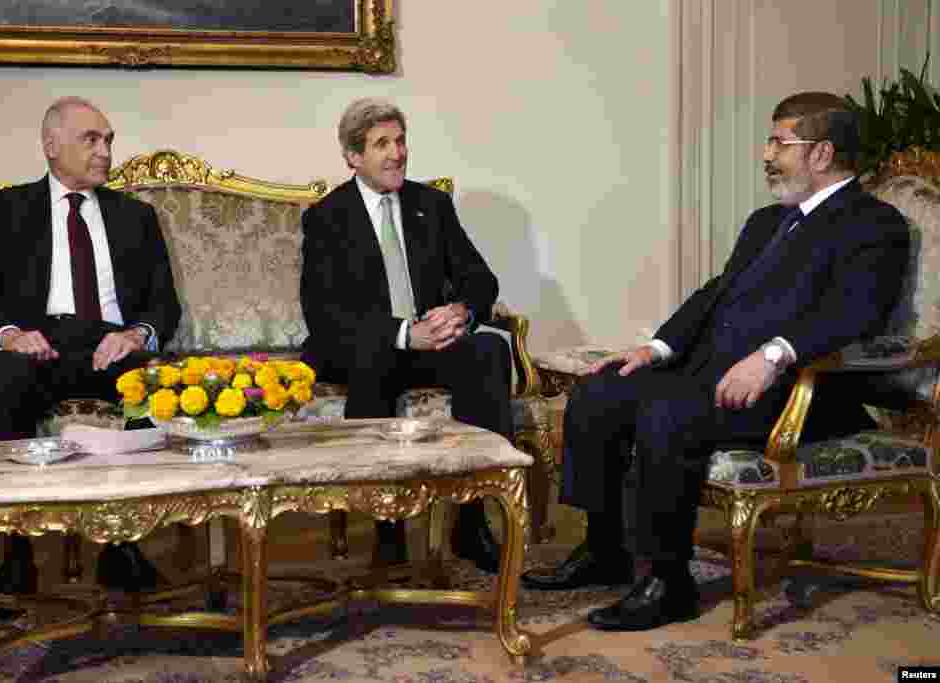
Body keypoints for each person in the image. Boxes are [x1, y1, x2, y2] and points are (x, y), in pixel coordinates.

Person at [521, 92, 910, 631]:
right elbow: (716, 293)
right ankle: (605, 549)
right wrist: (656, 347)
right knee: (601, 390)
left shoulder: (874, 225)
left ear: (821, 154)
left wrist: (773, 356)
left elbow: (853, 315)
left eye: (780, 142)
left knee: (665, 409)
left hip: (798, 392)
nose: (767, 153)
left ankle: (668, 581)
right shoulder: (767, 221)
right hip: (711, 372)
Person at [0, 96, 182, 608]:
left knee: (149, 383)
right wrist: (11, 334)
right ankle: (14, 551)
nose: (104, 151)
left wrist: (135, 335)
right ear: (51, 146)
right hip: (36, 344)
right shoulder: (6, 208)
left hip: (108, 344)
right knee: (2, 377)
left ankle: (124, 545)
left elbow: (162, 304)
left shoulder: (136, 216)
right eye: (91, 140)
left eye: (108, 141)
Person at [300, 98, 512, 572]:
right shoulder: (326, 217)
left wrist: (460, 311)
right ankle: (386, 527)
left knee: (487, 350)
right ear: (353, 157)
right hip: (367, 345)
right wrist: (402, 334)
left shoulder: (430, 205)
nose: (397, 153)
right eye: (381, 144)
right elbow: (326, 315)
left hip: (428, 343)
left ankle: (473, 518)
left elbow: (481, 279)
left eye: (400, 141)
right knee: (372, 359)